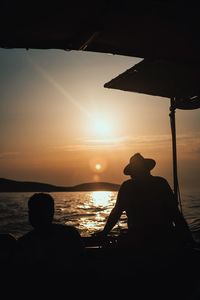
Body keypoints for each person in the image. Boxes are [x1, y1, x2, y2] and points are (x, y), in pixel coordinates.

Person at [96, 153, 194, 253]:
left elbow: (116, 212)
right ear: (148, 169)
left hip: (139, 240)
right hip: (162, 238)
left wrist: (104, 233)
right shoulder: (160, 183)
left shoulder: (127, 187)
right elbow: (175, 214)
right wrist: (188, 237)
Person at [15, 193, 84, 272]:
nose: (37, 215)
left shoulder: (24, 243)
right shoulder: (70, 234)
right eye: (34, 211)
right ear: (52, 212)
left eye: (39, 211)